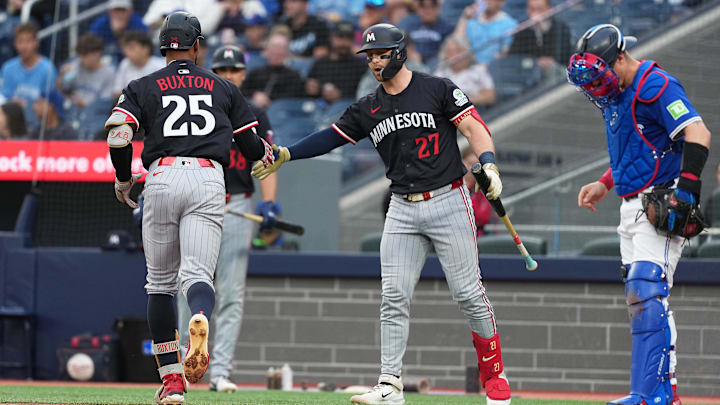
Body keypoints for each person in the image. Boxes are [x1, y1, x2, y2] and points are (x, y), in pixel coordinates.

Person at [253, 23, 512, 405]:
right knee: (393, 297)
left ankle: (495, 377)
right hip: (402, 208)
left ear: (401, 52)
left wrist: (488, 163)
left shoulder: (436, 88)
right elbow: (330, 136)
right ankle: (390, 385)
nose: (375, 61)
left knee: (469, 294)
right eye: (370, 55)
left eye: (381, 53)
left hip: (448, 200)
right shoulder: (368, 106)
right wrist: (287, 153)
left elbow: (474, 126)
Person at [105, 11, 274, 404]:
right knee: (198, 276)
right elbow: (251, 147)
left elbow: (118, 136)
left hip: (161, 177)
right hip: (207, 178)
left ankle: (172, 382)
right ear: (197, 45)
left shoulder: (141, 85)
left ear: (164, 46)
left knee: (160, 285)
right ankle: (200, 315)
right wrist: (266, 153)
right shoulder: (223, 86)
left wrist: (123, 177)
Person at [569, 24, 711, 405]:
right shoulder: (615, 94)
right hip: (629, 206)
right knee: (644, 300)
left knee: (647, 291)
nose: (597, 85)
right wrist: (603, 182)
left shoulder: (656, 85)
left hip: (660, 205)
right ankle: (665, 394)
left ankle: (647, 396)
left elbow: (697, 134)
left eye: (601, 74)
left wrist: (687, 192)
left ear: (619, 57)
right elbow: (640, 149)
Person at [176, 44, 279, 393]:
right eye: (222, 70)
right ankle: (180, 369)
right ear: (212, 71)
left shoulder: (254, 113)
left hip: (237, 205)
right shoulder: (200, 106)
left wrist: (269, 205)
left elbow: (265, 162)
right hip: (197, 202)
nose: (228, 76)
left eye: (234, 70)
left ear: (243, 74)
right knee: (185, 288)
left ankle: (219, 372)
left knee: (232, 293)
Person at [0, 22, 57, 129]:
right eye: (20, 41)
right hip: (11, 126)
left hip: (38, 127)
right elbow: (4, 98)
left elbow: (49, 105)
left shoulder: (48, 69)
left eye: (28, 41)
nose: (24, 46)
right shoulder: (8, 68)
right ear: (15, 44)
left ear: (36, 43)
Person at [305, 21, 367, 103]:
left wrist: (341, 96)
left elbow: (365, 94)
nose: (344, 42)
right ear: (331, 38)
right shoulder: (320, 63)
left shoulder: (360, 65)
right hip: (320, 110)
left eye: (348, 38)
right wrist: (312, 90)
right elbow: (310, 90)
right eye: (340, 37)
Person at [241, 32, 305, 109]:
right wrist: (254, 95)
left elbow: (295, 99)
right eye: (274, 47)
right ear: (267, 50)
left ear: (287, 52)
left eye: (281, 47)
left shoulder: (294, 76)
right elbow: (241, 92)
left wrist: (269, 101)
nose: (277, 51)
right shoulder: (255, 73)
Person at [507, 0, 571, 77]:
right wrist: (534, 62)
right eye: (532, 9)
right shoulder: (522, 30)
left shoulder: (560, 28)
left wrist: (544, 31)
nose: (536, 13)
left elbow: (563, 56)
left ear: (549, 9)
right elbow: (514, 57)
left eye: (540, 9)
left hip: (556, 75)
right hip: (530, 74)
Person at [434, 36, 495, 108]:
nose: (455, 56)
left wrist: (461, 102)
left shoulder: (479, 70)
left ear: (467, 52)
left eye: (458, 51)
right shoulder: (440, 74)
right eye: (450, 52)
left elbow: (490, 97)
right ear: (445, 56)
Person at [453, 0, 517, 64]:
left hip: (494, 68)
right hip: (470, 67)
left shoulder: (510, 24)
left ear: (501, 2)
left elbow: (506, 51)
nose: (487, 1)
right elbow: (457, 43)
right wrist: (464, 18)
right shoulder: (471, 20)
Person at [396, 0, 453, 66]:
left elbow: (447, 50)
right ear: (418, 8)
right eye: (422, 5)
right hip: (410, 60)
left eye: (433, 5)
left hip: (435, 63)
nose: (428, 10)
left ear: (439, 7)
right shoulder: (408, 22)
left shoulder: (446, 26)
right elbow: (396, 39)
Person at [112, 31, 166, 99]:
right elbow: (117, 92)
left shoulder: (160, 67)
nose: (126, 52)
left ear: (145, 49)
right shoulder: (125, 63)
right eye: (125, 48)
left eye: (131, 48)